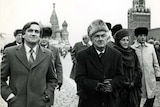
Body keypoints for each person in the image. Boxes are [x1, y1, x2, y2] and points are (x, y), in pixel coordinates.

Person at [1, 21, 58, 107]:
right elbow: (1, 78)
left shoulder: (48, 54)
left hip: (40, 104)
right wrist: (9, 96)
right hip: (17, 104)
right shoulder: (10, 53)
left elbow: (52, 79)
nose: (33, 34)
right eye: (30, 31)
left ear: (39, 36)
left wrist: (47, 95)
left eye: (37, 32)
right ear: (23, 35)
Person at [75, 19, 124, 107]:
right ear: (91, 39)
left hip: (110, 101)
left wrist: (112, 84)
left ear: (107, 37)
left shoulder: (116, 55)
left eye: (103, 35)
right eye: (97, 36)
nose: (100, 39)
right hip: (89, 100)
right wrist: (96, 85)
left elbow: (120, 77)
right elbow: (79, 78)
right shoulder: (82, 55)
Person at [131, 27, 160, 107]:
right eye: (140, 35)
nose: (143, 37)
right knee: (139, 97)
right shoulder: (132, 48)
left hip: (150, 76)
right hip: (139, 78)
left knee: (150, 96)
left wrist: (157, 74)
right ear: (136, 36)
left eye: (144, 35)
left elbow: (155, 62)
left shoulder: (150, 47)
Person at [113, 29, 142, 107]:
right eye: (123, 40)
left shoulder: (132, 52)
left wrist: (134, 81)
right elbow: (112, 71)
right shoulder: (114, 53)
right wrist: (123, 82)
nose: (126, 42)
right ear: (118, 41)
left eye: (127, 40)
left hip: (133, 89)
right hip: (120, 90)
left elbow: (138, 69)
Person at [40, 27, 63, 106]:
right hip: (37, 79)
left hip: (49, 81)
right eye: (42, 37)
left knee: (48, 102)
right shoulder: (35, 49)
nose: (43, 40)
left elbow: (58, 66)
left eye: (46, 38)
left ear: (49, 38)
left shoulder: (55, 50)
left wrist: (60, 80)